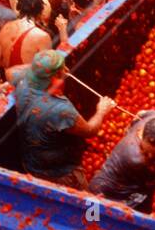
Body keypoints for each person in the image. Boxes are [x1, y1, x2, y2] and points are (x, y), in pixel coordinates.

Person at [12, 50, 115, 189]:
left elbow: (10, 71)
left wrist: (45, 69)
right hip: (59, 174)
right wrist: (102, 111)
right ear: (55, 77)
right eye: (61, 71)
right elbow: (90, 130)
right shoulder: (60, 109)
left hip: (31, 163)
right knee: (86, 202)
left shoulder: (22, 83)